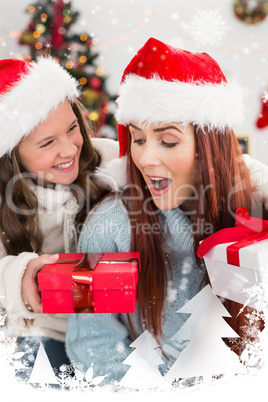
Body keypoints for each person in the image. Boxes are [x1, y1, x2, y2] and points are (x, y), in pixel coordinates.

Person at [65, 37, 268, 384]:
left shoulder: (254, 211)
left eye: (168, 140)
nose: (144, 158)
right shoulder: (108, 227)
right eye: (138, 139)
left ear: (208, 146)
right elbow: (91, 341)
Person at [0, 56, 119, 371]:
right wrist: (17, 275)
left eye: (72, 128)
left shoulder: (106, 160)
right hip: (38, 338)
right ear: (12, 153)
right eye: (47, 142)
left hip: (110, 332)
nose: (69, 150)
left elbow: (232, 169)